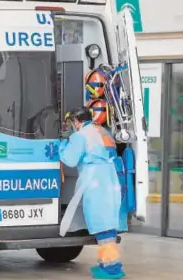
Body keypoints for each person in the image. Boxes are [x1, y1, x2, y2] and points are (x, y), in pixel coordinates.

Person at [59, 107, 126, 279]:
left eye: (71, 123)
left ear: (76, 121)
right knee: (107, 221)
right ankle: (107, 264)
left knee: (101, 224)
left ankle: (111, 268)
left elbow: (70, 159)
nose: (70, 126)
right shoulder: (101, 130)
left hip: (95, 180)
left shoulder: (80, 136)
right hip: (111, 178)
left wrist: (63, 144)